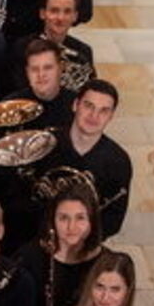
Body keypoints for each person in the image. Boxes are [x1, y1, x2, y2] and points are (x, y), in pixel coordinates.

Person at [41, 79, 132, 238]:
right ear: (75, 105)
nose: (94, 116)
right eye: (89, 106)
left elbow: (113, 220)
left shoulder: (118, 161)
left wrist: (76, 241)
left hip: (82, 244)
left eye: (103, 111)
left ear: (111, 116)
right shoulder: (44, 143)